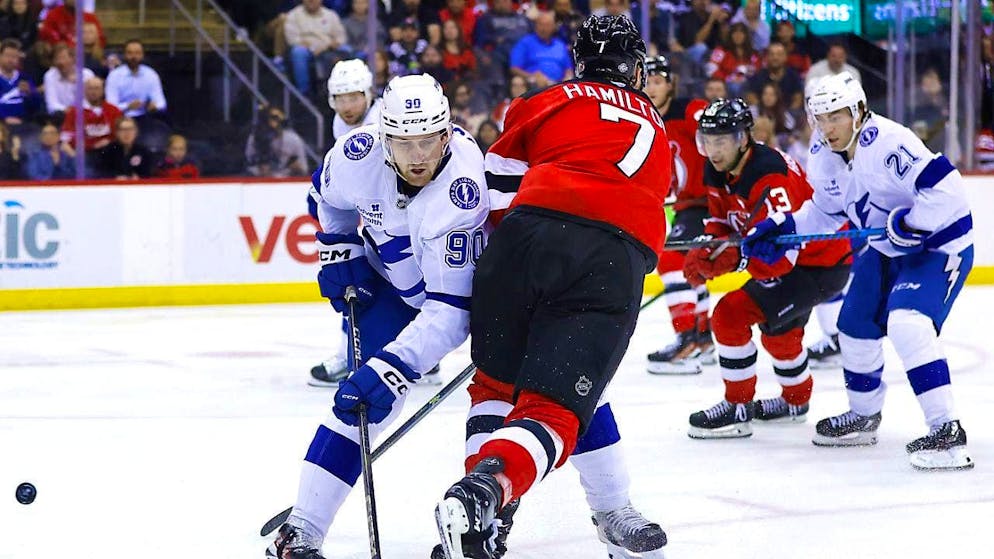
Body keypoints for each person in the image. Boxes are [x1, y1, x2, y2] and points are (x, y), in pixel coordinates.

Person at [435, 15, 671, 559]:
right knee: (558, 407)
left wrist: (512, 266)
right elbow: (643, 211)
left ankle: (486, 527)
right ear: (634, 67)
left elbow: (495, 188)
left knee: (495, 388)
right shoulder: (655, 123)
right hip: (609, 259)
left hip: (521, 242)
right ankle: (487, 491)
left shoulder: (545, 100)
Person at [266, 73, 491, 559]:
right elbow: (328, 200)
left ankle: (490, 520)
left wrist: (398, 367)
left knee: (499, 394)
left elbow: (451, 313)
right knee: (359, 403)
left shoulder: (463, 192)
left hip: (450, 297)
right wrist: (339, 248)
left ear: (447, 134)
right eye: (404, 142)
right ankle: (302, 530)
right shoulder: (356, 153)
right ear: (383, 136)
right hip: (385, 282)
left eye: (428, 141)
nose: (417, 156)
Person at [742, 72, 975, 470]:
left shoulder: (889, 141)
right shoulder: (821, 151)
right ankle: (864, 417)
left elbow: (948, 191)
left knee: (907, 323)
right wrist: (784, 228)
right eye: (821, 118)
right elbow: (826, 212)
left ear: (858, 111)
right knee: (853, 326)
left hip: (937, 246)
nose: (828, 127)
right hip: (887, 250)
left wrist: (911, 224)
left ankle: (947, 431)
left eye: (836, 116)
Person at [683, 97, 851, 439]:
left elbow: (782, 257)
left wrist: (733, 261)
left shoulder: (768, 175)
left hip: (819, 264)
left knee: (729, 315)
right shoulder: (716, 167)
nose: (713, 150)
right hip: (801, 263)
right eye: (707, 141)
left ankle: (738, 406)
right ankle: (795, 402)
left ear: (743, 138)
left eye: (722, 141)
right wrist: (709, 249)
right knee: (780, 332)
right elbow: (722, 221)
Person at [307, 58, 393, 388]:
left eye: (353, 97)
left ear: (368, 94)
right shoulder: (341, 125)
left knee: (361, 281)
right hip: (381, 216)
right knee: (356, 278)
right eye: (340, 99)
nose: (347, 106)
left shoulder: (383, 119)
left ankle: (352, 358)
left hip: (398, 216)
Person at [642, 55, 715, 375]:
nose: (651, 87)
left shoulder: (689, 110)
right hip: (687, 204)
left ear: (670, 84)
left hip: (706, 202)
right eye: (646, 81)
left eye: (657, 81)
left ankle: (686, 338)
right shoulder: (646, 119)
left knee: (671, 259)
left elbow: (719, 134)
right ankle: (703, 337)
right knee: (691, 266)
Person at [104, 39, 168, 123]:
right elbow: (110, 106)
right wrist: (128, 106)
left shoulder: (151, 74)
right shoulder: (114, 76)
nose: (134, 57)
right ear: (124, 55)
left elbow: (162, 102)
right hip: (120, 118)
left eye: (137, 53)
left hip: (146, 117)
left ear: (142, 55)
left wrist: (155, 106)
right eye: (130, 53)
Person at [245, 106, 308, 177]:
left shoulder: (293, 139)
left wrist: (296, 167)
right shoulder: (254, 138)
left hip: (285, 179)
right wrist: (261, 163)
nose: (273, 124)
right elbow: (249, 162)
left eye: (276, 120)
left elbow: (303, 169)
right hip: (259, 179)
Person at [43, 43, 95, 116]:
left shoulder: (87, 75)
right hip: (61, 116)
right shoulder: (50, 76)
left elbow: (91, 101)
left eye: (63, 58)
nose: (60, 62)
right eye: (56, 59)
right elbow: (52, 105)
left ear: (73, 59)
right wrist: (68, 111)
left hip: (85, 115)